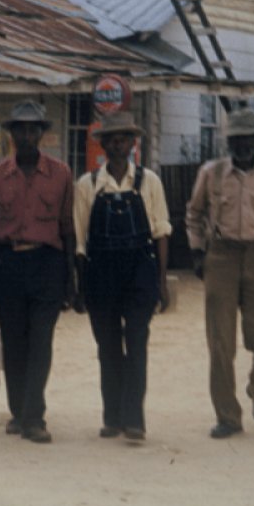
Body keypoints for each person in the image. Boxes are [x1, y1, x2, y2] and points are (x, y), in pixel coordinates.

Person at [185, 107, 254, 439]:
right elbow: (194, 214)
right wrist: (196, 252)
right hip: (220, 256)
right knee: (220, 342)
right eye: (237, 139)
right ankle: (228, 416)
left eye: (249, 138)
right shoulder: (211, 173)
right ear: (229, 141)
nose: (243, 144)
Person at [74, 111, 171, 442]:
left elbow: (161, 233)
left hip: (140, 270)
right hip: (100, 271)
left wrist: (162, 281)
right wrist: (80, 285)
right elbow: (80, 240)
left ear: (133, 143)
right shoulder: (86, 185)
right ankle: (111, 417)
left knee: (137, 342)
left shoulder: (150, 182)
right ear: (102, 144)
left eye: (123, 139)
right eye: (111, 139)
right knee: (108, 346)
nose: (117, 145)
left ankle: (134, 420)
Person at [0, 100, 76, 444]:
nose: (26, 135)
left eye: (33, 129)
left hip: (47, 263)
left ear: (42, 134)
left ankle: (34, 416)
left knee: (41, 341)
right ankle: (17, 411)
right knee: (14, 341)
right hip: (8, 263)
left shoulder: (61, 174)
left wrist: (70, 277)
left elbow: (67, 227)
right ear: (11, 134)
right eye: (20, 129)